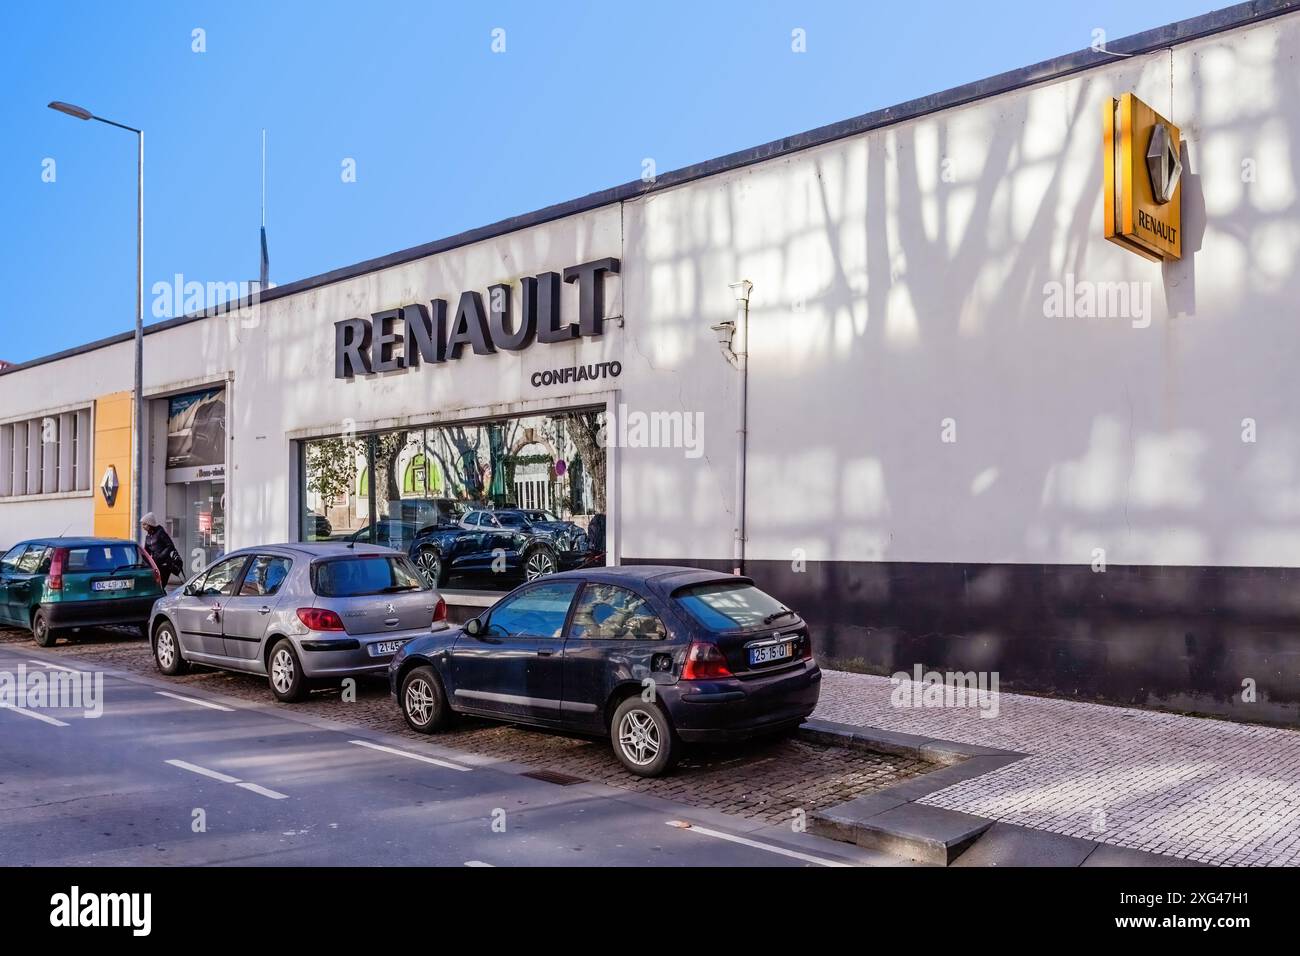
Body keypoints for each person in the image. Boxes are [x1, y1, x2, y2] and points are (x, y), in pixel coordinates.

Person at [140, 513, 183, 587]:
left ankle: (164, 598)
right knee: (156, 586)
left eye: (144, 524)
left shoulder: (160, 532)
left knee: (161, 586)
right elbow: (146, 552)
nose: (143, 527)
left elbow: (170, 546)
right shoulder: (148, 536)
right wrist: (142, 562)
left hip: (165, 565)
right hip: (156, 565)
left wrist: (160, 556)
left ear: (150, 524)